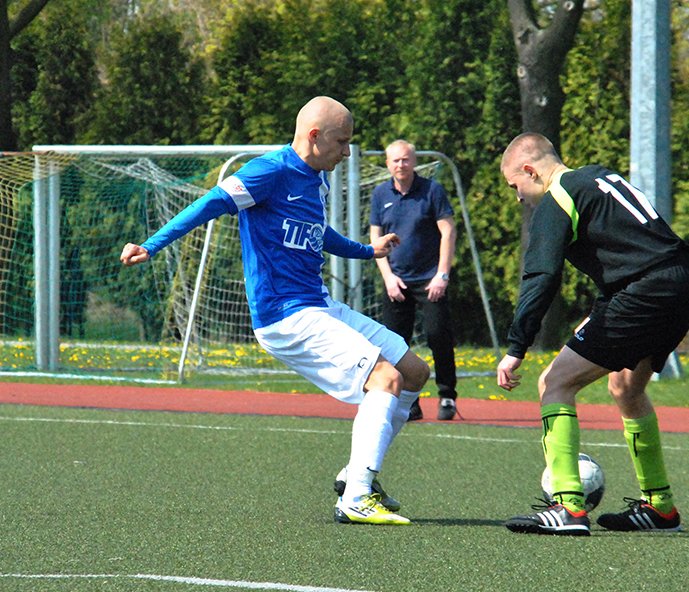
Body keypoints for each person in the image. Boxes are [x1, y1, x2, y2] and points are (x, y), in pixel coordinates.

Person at [120, 96, 430, 526]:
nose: (347, 152)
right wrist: (151, 245)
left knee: (413, 371)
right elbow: (209, 203)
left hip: (318, 304)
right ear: (314, 136)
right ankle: (357, 496)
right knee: (385, 378)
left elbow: (318, 233)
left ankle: (354, 474)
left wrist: (366, 250)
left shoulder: (316, 179)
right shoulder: (267, 171)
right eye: (342, 142)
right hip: (285, 316)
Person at [495, 133, 689, 536]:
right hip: (684, 280)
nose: (518, 197)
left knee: (554, 382)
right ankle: (660, 508)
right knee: (626, 387)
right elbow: (627, 251)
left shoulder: (558, 197)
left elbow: (541, 275)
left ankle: (568, 507)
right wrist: (599, 313)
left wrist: (516, 346)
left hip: (646, 290)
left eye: (514, 185)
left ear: (530, 170)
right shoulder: (598, 177)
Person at [369, 140, 459, 421]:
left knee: (438, 335)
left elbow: (448, 231)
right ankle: (410, 402)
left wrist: (442, 275)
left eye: (406, 159)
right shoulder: (380, 194)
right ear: (387, 164)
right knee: (395, 345)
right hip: (396, 281)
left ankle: (447, 396)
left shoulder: (432, 190)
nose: (401, 165)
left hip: (429, 280)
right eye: (395, 160)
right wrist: (388, 278)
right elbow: (375, 238)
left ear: (414, 161)